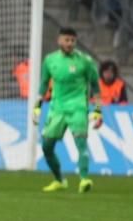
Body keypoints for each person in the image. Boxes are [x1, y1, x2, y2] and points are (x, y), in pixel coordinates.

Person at [33, 27, 101, 194]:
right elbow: (43, 84)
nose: (70, 43)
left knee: (81, 144)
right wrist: (37, 107)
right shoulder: (50, 60)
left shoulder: (85, 61)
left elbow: (96, 87)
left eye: (72, 40)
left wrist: (98, 110)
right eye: (66, 40)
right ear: (59, 40)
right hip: (57, 109)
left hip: (78, 107)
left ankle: (84, 179)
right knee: (47, 147)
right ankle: (59, 180)